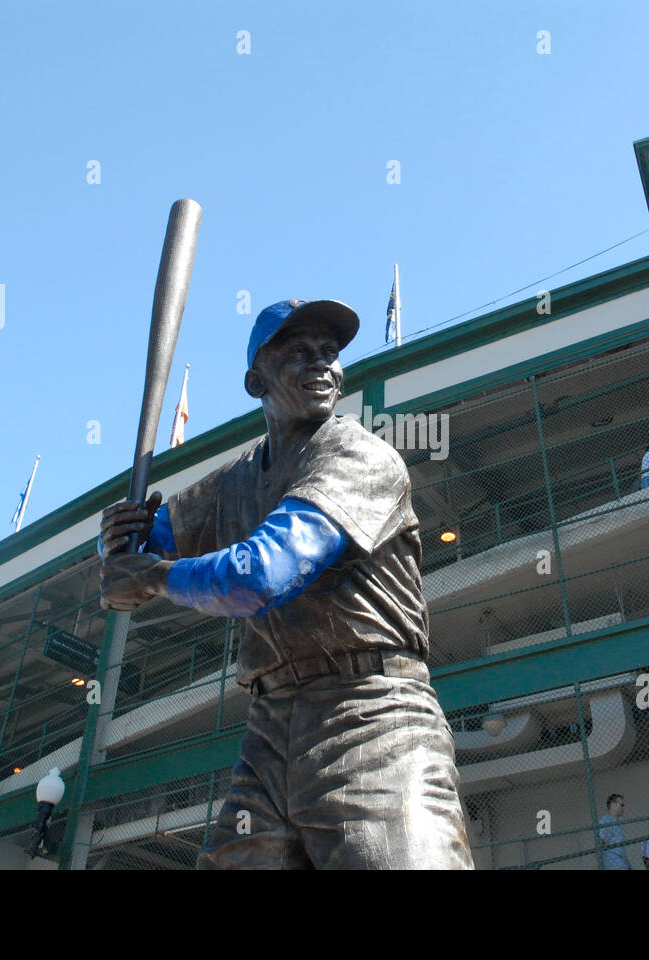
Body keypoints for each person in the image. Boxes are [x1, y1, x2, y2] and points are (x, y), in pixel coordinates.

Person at [97, 298, 474, 870]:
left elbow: (261, 575)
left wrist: (148, 576)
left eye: (329, 352)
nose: (322, 364)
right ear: (257, 380)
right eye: (298, 352)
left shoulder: (357, 454)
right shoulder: (233, 483)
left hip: (374, 718)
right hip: (269, 732)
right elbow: (147, 546)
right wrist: (116, 543)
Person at [598, 793, 629, 870]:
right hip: (612, 861)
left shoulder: (616, 823)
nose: (623, 807)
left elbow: (621, 849)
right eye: (621, 805)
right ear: (613, 805)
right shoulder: (606, 820)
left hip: (620, 861)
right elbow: (600, 842)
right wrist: (599, 864)